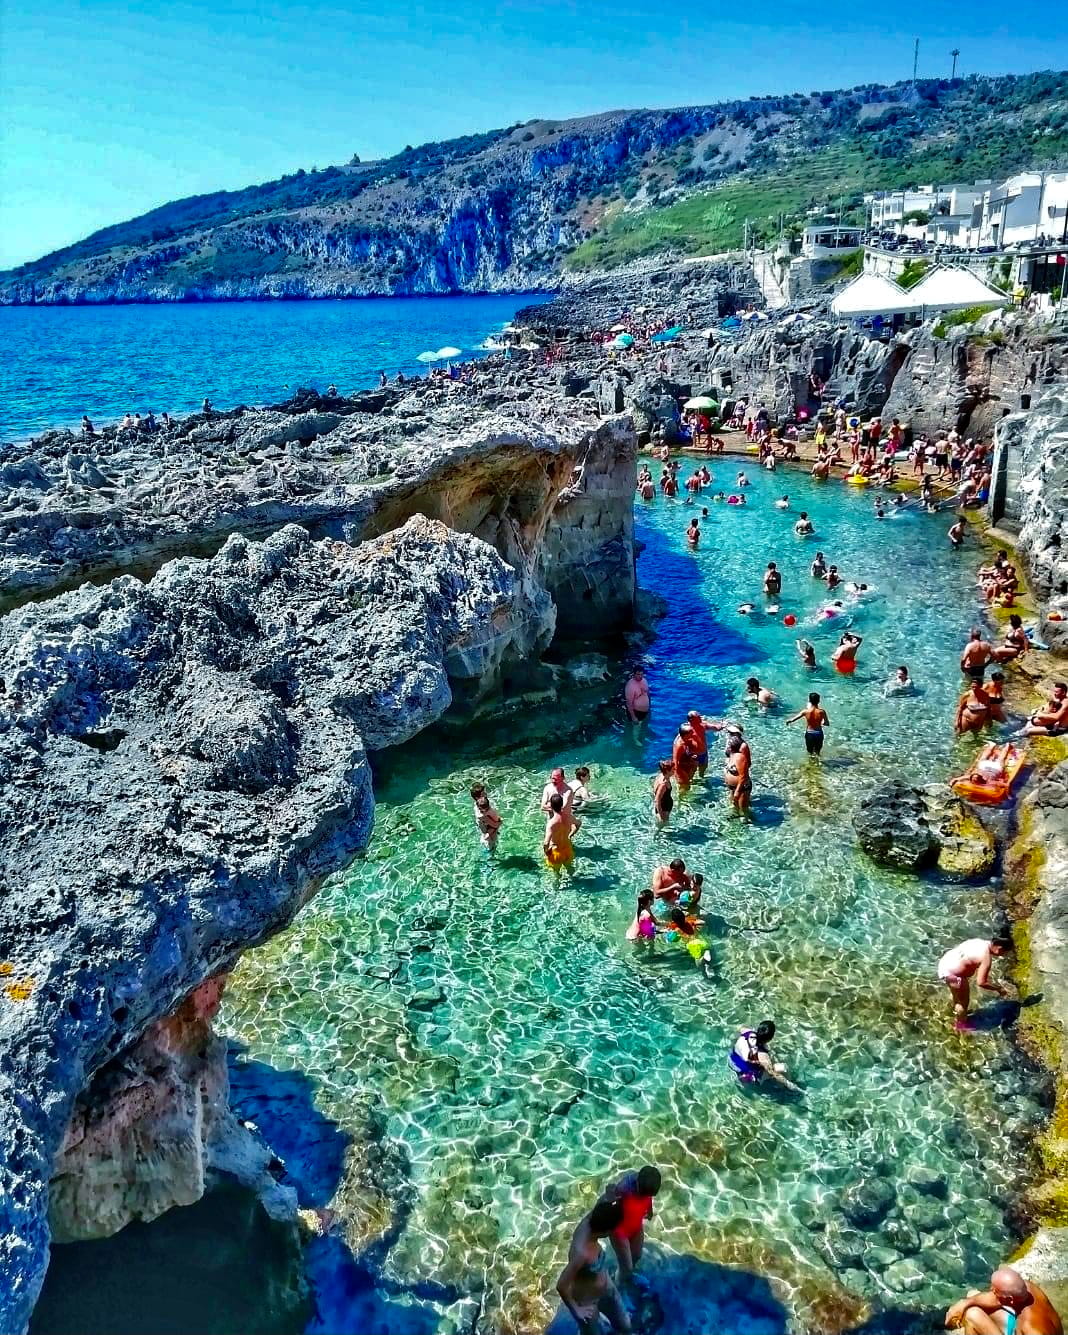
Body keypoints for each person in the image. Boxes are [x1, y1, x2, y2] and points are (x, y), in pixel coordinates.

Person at [554, 1199, 632, 1335]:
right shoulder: (581, 1253)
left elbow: (600, 1206)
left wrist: (611, 1197)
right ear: (606, 1231)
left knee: (625, 1326)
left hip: (606, 1286)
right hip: (587, 1301)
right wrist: (576, 1310)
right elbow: (561, 1285)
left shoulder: (589, 1221)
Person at [945, 1266, 1063, 1335]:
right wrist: (964, 1303)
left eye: (995, 1291)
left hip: (1027, 1329)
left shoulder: (1032, 1330)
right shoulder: (1027, 1288)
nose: (991, 1291)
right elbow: (994, 1299)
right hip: (1016, 1324)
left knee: (972, 1315)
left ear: (1009, 1300)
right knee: (972, 1295)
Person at [598, 1166, 662, 1287]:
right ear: (637, 1182)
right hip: (620, 1231)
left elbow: (648, 1198)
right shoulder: (624, 1187)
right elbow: (606, 1202)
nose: (644, 1196)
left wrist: (649, 1210)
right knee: (626, 1266)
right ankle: (618, 1286)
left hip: (636, 1226)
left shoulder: (646, 1187)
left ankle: (626, 1275)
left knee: (637, 1255)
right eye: (642, 1193)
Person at [938, 936, 1013, 1022]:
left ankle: (956, 1012)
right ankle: (961, 1025)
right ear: (999, 948)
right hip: (954, 975)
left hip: (945, 963)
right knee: (963, 1003)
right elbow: (981, 982)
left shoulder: (978, 941)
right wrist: (998, 989)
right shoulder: (986, 958)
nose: (1003, 955)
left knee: (957, 995)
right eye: (1004, 952)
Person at [729, 1021, 800, 1091]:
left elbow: (739, 1028)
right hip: (747, 1075)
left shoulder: (747, 1032)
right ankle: (784, 1089)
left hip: (732, 1062)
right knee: (783, 1067)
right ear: (771, 1037)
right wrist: (789, 1084)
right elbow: (773, 1073)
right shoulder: (763, 1056)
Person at [544, 793, 576, 870]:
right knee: (570, 869)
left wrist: (546, 852)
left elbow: (546, 843)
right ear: (562, 804)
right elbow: (577, 824)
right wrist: (570, 835)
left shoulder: (551, 823)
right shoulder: (569, 817)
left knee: (556, 874)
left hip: (556, 852)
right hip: (567, 849)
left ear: (551, 806)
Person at [724, 729, 752, 815]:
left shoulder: (740, 757)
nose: (727, 745)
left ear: (732, 746)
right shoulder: (731, 755)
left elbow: (743, 776)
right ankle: (735, 816)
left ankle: (745, 820)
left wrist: (738, 791)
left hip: (742, 787)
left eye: (729, 744)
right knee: (734, 805)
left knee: (743, 808)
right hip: (733, 787)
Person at [470, 783, 502, 852]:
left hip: (487, 829)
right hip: (489, 834)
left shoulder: (480, 805)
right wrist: (500, 822)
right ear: (477, 797)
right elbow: (495, 825)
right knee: (491, 850)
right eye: (483, 793)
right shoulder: (482, 814)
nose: (485, 793)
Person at [672, 723, 700, 788]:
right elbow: (676, 763)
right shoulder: (680, 746)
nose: (693, 734)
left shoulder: (682, 737)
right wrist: (683, 776)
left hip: (685, 764)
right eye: (691, 733)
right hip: (681, 769)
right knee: (686, 787)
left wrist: (690, 756)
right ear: (686, 735)